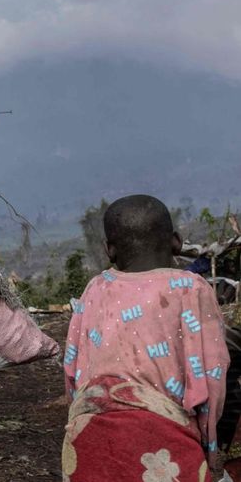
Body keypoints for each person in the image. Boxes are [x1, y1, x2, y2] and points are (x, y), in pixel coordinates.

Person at [62, 194, 229, 481]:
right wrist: (210, 452)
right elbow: (213, 377)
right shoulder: (191, 288)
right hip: (162, 439)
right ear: (176, 241)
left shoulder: (94, 288)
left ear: (109, 250)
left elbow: (71, 369)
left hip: (88, 439)